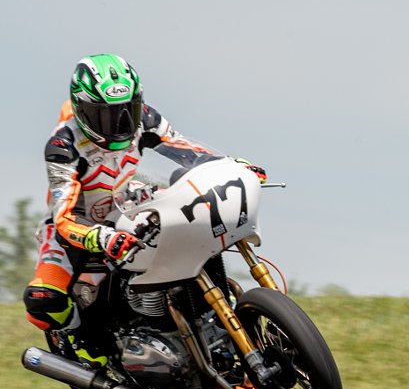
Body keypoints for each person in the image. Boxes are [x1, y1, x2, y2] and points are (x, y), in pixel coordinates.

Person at [22, 53, 266, 367]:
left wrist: (230, 166)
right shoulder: (63, 146)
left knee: (197, 220)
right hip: (78, 227)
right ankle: (82, 345)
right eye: (106, 115)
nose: (121, 123)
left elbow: (184, 150)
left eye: (127, 109)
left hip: (130, 203)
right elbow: (63, 217)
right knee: (44, 299)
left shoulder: (145, 118)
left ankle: (214, 318)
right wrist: (103, 239)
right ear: (83, 110)